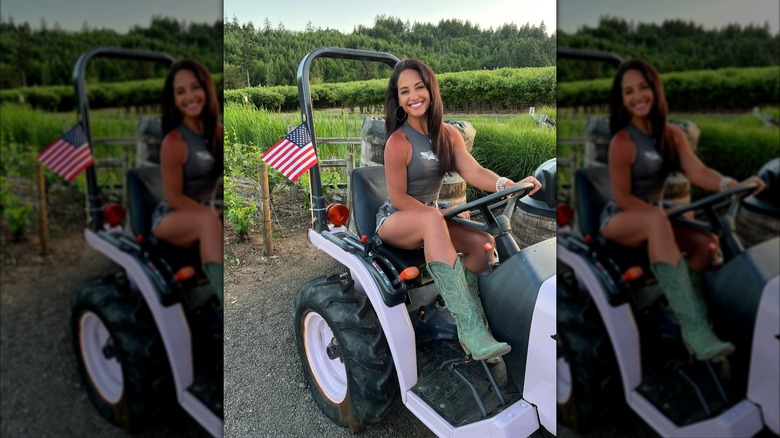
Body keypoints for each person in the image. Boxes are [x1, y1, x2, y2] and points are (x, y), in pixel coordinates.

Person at [600, 59, 765, 360]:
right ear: (622, 99)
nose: (637, 96)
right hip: (620, 219)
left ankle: (687, 316)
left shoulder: (672, 136)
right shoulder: (622, 141)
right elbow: (622, 198)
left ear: (655, 89)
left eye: (643, 87)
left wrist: (732, 183)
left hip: (655, 217)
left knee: (707, 243)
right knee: (656, 218)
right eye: (628, 91)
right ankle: (695, 329)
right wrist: (658, 218)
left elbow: (699, 172)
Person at [377, 59, 542, 361]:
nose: (413, 96)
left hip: (430, 217)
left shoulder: (449, 135)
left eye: (419, 87)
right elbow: (399, 198)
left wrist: (508, 183)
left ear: (431, 89)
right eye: (404, 91)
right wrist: (436, 217)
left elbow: (475, 172)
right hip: (396, 219)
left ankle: (471, 318)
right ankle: (471, 328)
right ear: (397, 99)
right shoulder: (398, 142)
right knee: (433, 217)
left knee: (483, 244)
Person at [152, 59, 224, 305]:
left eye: (195, 87)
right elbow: (173, 197)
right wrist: (209, 214)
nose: (189, 96)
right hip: (173, 216)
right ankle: (222, 298)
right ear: (173, 99)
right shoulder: (175, 142)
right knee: (208, 220)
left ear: (206, 89)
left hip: (208, 208)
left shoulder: (218, 133)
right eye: (180, 91)